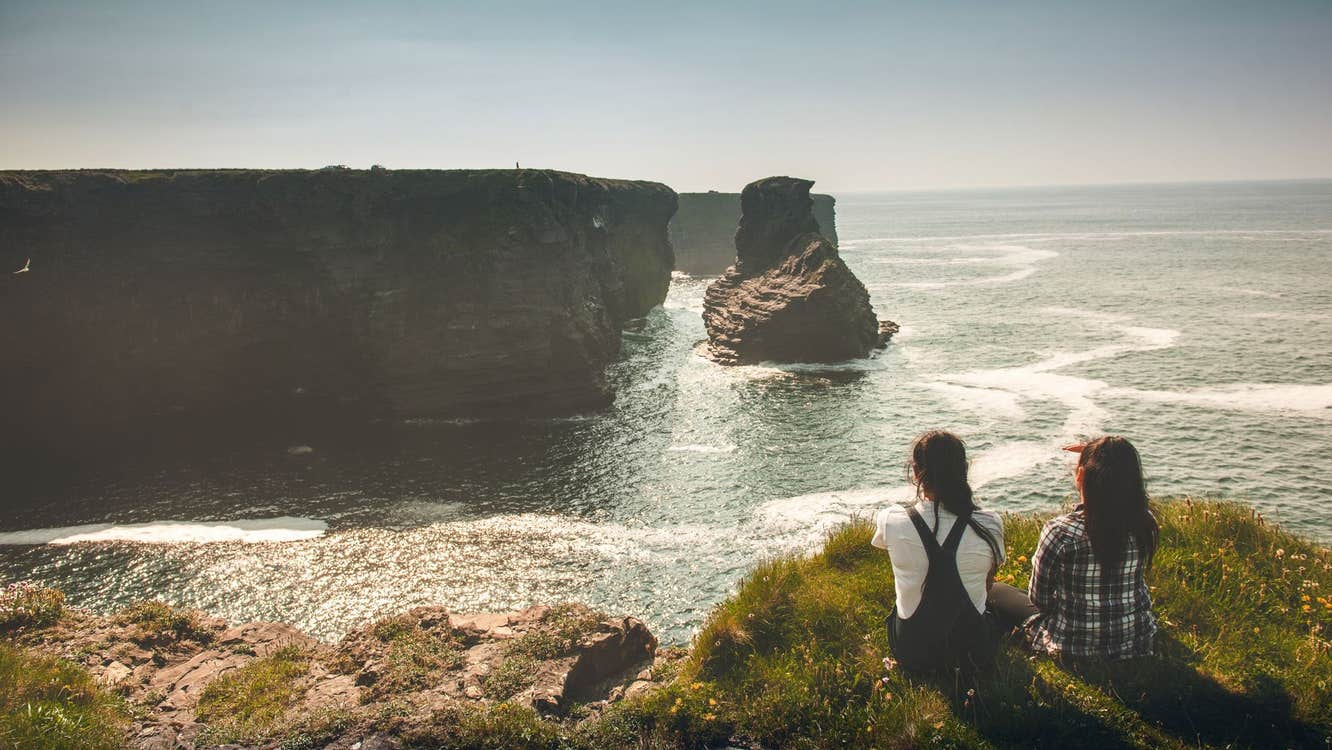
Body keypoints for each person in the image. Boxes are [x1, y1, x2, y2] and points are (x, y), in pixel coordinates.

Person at [988, 436, 1159, 659]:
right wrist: (1095, 452)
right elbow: (1118, 467)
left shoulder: (1061, 531)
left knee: (995, 591)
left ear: (1080, 476)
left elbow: (1040, 599)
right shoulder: (1145, 522)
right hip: (1136, 640)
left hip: (1070, 646)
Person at [872, 430, 1005, 673]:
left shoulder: (890, 519)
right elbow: (987, 586)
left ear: (915, 473)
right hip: (971, 653)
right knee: (1001, 597)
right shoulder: (990, 523)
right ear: (963, 470)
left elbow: (885, 546)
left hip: (912, 652)